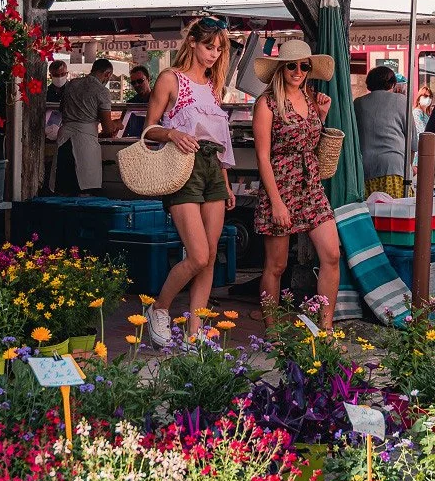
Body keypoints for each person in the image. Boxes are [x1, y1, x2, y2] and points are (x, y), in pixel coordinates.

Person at [144, 18, 235, 345]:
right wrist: (172, 133)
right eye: (209, 46)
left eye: (219, 48)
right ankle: (160, 307)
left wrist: (225, 180)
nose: (214, 54)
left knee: (209, 256)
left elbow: (218, 137)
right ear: (193, 42)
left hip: (213, 167)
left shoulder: (213, 87)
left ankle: (195, 337)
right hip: (183, 167)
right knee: (196, 255)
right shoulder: (171, 79)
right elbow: (147, 130)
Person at [252, 40, 339, 329]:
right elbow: (263, 157)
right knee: (276, 266)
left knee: (332, 254)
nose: (299, 71)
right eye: (292, 65)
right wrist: (276, 202)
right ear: (281, 68)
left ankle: (325, 329)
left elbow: (312, 143)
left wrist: (321, 117)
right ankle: (272, 330)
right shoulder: (267, 103)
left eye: (304, 65)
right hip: (280, 185)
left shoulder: (312, 99)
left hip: (310, 185)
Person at [55, 59, 117, 195]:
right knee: (87, 189)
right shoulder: (102, 91)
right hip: (85, 142)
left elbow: (61, 110)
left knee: (64, 189)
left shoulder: (71, 84)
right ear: (107, 73)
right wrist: (116, 124)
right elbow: (108, 128)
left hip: (64, 139)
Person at [354, 66, 412, 198]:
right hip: (394, 168)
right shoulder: (401, 101)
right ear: (392, 83)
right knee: (396, 214)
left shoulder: (358, 103)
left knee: (372, 215)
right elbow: (412, 141)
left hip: (364, 170)